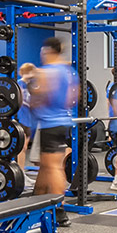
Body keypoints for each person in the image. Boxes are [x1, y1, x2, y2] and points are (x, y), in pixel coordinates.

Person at [32, 37, 78, 216]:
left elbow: (41, 96)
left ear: (48, 51)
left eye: (43, 53)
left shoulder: (47, 71)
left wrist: (31, 88)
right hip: (64, 122)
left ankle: (60, 210)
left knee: (53, 167)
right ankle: (38, 199)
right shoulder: (69, 71)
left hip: (49, 124)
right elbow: (73, 98)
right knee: (46, 165)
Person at [15, 63, 39, 192]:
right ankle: (20, 174)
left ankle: (22, 172)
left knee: (24, 147)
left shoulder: (31, 85)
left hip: (28, 119)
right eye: (31, 71)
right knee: (21, 148)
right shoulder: (19, 84)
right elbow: (20, 101)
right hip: (21, 118)